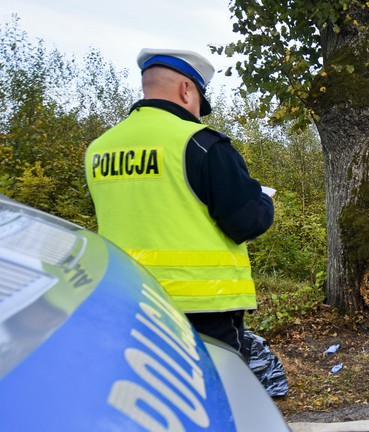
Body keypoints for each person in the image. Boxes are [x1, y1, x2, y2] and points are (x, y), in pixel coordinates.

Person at [84, 48, 274, 359]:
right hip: (204, 306)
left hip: (130, 300)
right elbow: (247, 220)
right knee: (214, 394)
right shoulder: (202, 143)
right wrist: (264, 201)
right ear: (187, 90)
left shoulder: (99, 149)